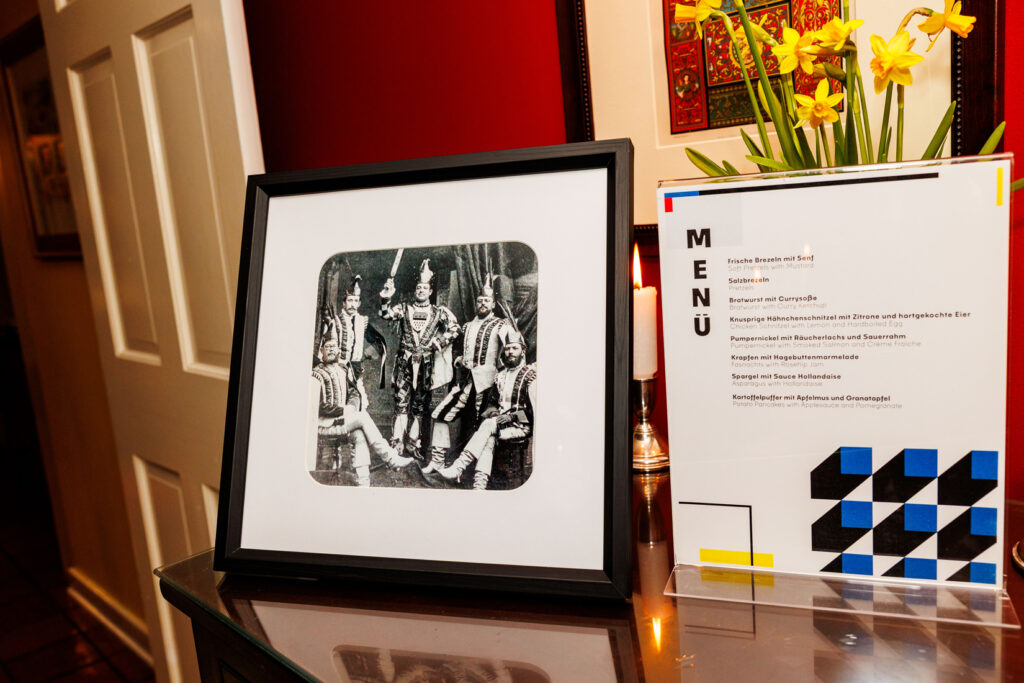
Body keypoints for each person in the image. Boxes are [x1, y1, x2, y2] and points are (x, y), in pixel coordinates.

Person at [314, 278, 411, 486]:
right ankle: (343, 468)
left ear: (359, 302)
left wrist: (365, 355)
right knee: (355, 421)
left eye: (356, 300)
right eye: (349, 300)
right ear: (344, 302)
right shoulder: (334, 322)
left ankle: (361, 475)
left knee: (357, 419)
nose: (352, 304)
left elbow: (378, 345)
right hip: (336, 373)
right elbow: (324, 347)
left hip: (354, 377)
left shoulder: (362, 321)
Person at [422, 274, 515, 474]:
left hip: (490, 385)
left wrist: (500, 370)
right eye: (480, 300)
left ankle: (476, 473)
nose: (483, 303)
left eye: (487, 300)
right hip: (466, 382)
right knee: (440, 414)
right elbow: (455, 349)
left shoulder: (501, 325)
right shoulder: (467, 326)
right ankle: (438, 461)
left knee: (482, 426)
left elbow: (514, 349)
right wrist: (458, 359)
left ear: (493, 304)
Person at [379, 259, 460, 460]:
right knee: (401, 402)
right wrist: (386, 298)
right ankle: (397, 443)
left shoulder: (439, 312)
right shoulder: (404, 308)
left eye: (424, 288)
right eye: (418, 287)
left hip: (426, 366)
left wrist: (440, 341)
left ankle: (413, 443)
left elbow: (455, 328)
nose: (421, 290)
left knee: (419, 405)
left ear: (430, 291)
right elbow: (386, 314)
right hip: (404, 364)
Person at [438, 331, 536, 490]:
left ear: (523, 351)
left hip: (521, 426)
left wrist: (512, 417)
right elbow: (492, 402)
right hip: (499, 425)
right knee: (489, 437)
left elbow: (535, 412)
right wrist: (494, 412)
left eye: (515, 348)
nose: (510, 352)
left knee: (489, 425)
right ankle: (479, 485)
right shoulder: (500, 376)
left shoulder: (531, 376)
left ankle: (458, 467)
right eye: (507, 348)